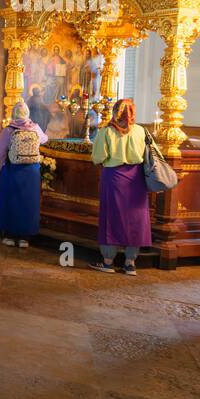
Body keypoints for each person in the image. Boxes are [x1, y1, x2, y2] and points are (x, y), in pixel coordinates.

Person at [89, 97, 150, 275]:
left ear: (116, 111)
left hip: (114, 178)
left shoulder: (106, 132)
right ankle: (130, 263)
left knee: (111, 216)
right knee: (135, 219)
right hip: (137, 179)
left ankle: (108, 261)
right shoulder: (141, 131)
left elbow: (98, 157)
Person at [0, 101, 48, 248]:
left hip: (13, 171)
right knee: (28, 203)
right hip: (31, 171)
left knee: (11, 201)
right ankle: (25, 238)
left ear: (14, 113)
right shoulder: (35, 128)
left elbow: (0, 154)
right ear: (27, 113)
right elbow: (45, 139)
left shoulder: (9, 130)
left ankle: (10, 236)